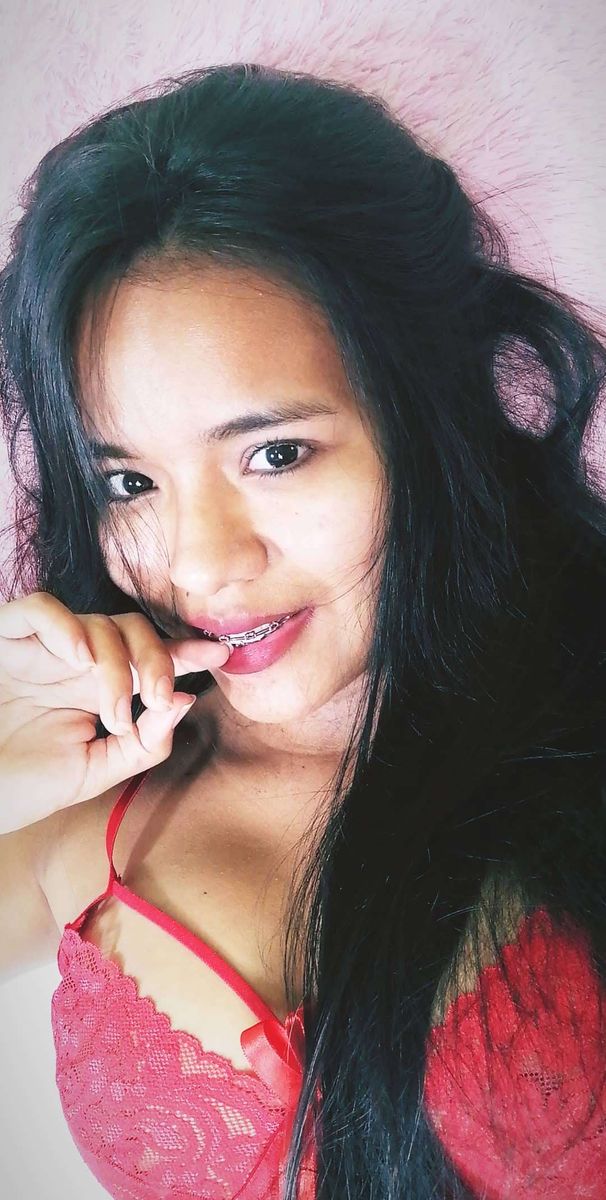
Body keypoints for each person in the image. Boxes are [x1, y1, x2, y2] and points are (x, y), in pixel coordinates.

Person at [0, 62, 605, 1200]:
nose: (198, 565)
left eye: (274, 454)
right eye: (128, 482)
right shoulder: (74, 801)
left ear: (427, 416)